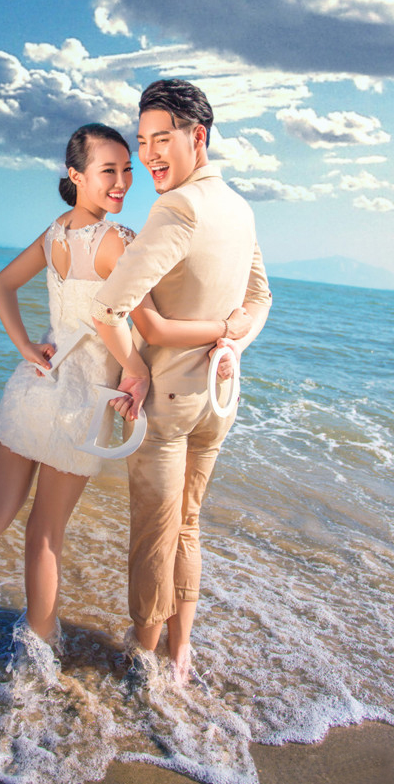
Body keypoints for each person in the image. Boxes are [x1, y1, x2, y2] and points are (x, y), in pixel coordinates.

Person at [0, 122, 250, 684]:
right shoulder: (119, 240)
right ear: (76, 175)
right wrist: (147, 366)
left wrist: (26, 348)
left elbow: (0, 286)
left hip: (33, 386)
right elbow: (132, 323)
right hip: (79, 405)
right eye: (108, 171)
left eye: (126, 169)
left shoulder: (54, 234)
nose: (122, 181)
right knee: (46, 531)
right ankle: (38, 649)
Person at [91, 79, 272, 685]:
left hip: (168, 401)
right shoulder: (240, 208)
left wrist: (136, 369)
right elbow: (261, 299)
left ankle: (143, 659)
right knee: (187, 524)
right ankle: (181, 653)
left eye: (161, 139)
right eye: (142, 141)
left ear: (198, 136)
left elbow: (108, 308)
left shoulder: (178, 207)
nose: (149, 155)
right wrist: (231, 343)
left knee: (153, 534)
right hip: (219, 398)